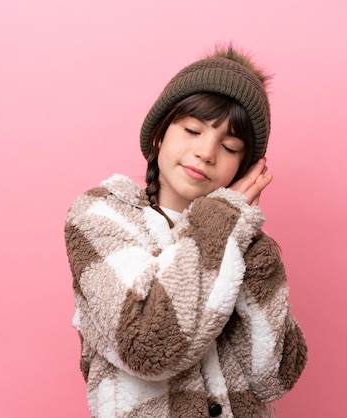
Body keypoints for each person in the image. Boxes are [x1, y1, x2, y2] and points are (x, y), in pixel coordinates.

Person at [64, 45, 307, 418]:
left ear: (243, 169)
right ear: (160, 133)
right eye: (192, 130)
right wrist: (218, 221)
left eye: (229, 146)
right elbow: (147, 346)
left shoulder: (245, 244)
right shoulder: (101, 215)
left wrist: (246, 241)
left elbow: (274, 378)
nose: (206, 152)